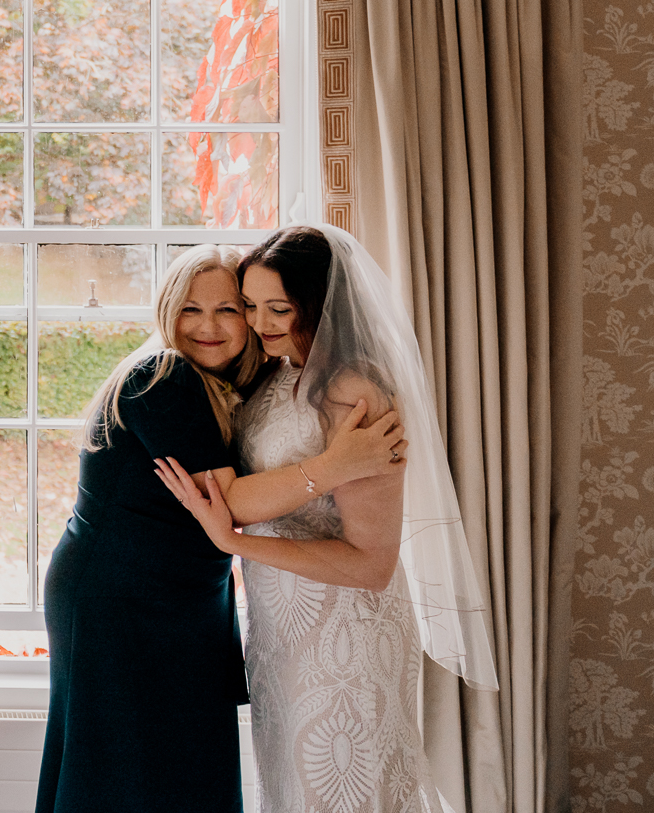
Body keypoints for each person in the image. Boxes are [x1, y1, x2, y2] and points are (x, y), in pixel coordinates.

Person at [35, 245, 406, 813]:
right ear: (167, 311)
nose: (209, 327)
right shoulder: (163, 375)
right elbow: (225, 502)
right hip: (122, 598)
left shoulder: (243, 384)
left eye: (230, 310)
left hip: (181, 595)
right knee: (124, 770)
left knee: (182, 766)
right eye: (190, 309)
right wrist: (336, 465)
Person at [156, 225, 499, 813]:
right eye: (252, 306)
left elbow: (371, 565)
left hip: (345, 636)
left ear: (316, 304)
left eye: (279, 308)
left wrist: (232, 541)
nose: (260, 323)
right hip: (280, 634)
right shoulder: (275, 375)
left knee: (340, 792)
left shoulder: (353, 391)